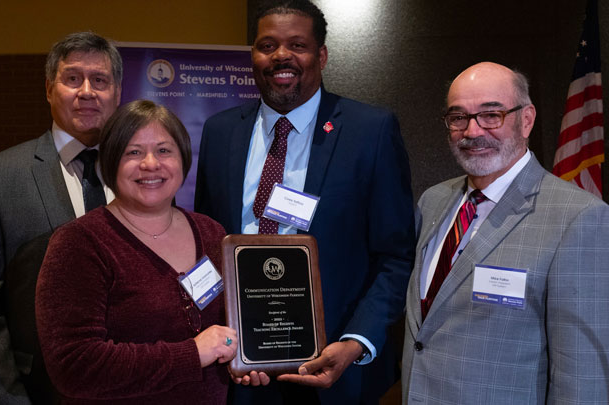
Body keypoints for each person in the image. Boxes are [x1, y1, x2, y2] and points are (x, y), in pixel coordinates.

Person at [194, 0, 415, 403]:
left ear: (321, 55)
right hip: (240, 369)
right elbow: (207, 244)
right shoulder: (220, 131)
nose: (282, 55)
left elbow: (397, 255)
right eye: (267, 45)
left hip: (336, 367)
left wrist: (356, 340)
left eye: (297, 45)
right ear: (253, 55)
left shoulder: (371, 130)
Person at [402, 62, 609, 403]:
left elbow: (582, 373)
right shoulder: (433, 202)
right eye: (458, 117)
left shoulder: (580, 218)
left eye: (491, 115)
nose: (472, 131)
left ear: (526, 120)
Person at [0, 31, 122, 404]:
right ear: (48, 89)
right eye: (72, 78)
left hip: (130, 388)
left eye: (100, 80)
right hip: (36, 392)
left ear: (118, 94)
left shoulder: (143, 176)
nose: (87, 91)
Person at [35, 100, 236, 404]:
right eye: (133, 152)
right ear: (111, 162)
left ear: (183, 159)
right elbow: (74, 366)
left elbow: (227, 330)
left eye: (164, 150)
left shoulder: (212, 233)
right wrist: (191, 354)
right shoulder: (79, 244)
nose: (151, 164)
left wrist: (242, 359)